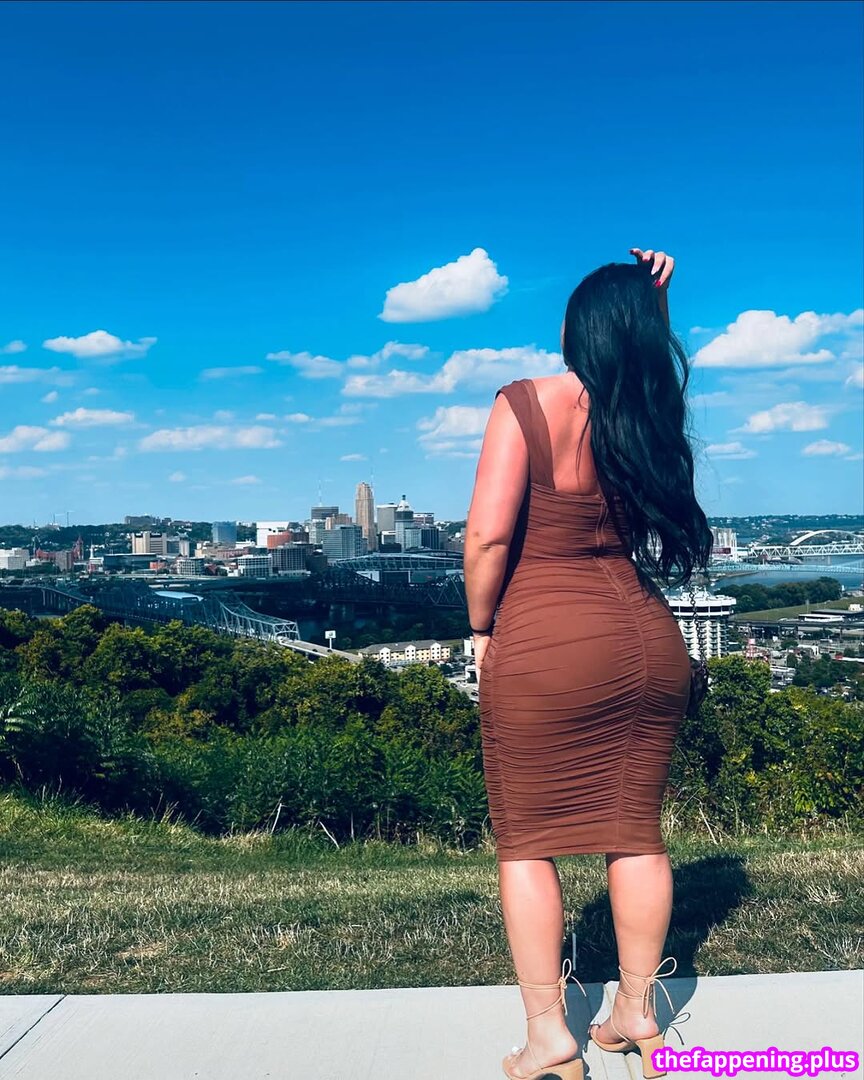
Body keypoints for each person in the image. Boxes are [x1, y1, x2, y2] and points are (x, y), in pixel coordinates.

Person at [464, 247, 713, 1080]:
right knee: (634, 834)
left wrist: (480, 628)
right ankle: (637, 1014)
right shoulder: (645, 418)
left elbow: (487, 537)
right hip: (645, 642)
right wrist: (654, 305)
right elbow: (647, 366)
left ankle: (550, 1038)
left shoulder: (525, 402)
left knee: (527, 842)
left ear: (577, 331)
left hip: (546, 640)